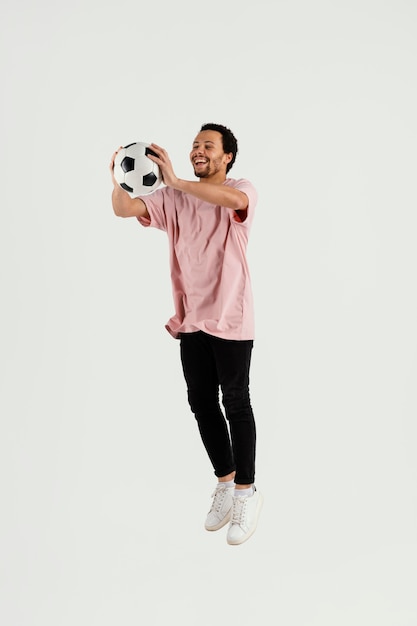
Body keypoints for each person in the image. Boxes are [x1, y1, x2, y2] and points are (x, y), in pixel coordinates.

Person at [110, 123, 262, 545]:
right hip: (192, 318)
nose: (198, 151)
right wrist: (119, 180)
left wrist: (175, 179)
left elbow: (234, 200)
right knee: (200, 401)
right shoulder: (173, 197)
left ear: (227, 156)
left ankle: (248, 492)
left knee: (235, 400)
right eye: (195, 145)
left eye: (208, 146)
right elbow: (123, 209)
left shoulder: (240, 187)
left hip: (231, 316)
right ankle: (226, 482)